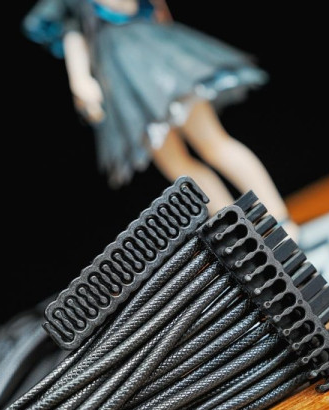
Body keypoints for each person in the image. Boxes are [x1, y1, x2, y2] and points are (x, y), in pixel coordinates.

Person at [24, 0, 298, 238]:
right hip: (125, 78)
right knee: (181, 165)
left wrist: (82, 80)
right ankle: (241, 234)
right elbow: (76, 34)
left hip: (151, 59)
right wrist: (81, 81)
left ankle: (278, 219)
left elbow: (149, 12)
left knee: (213, 145)